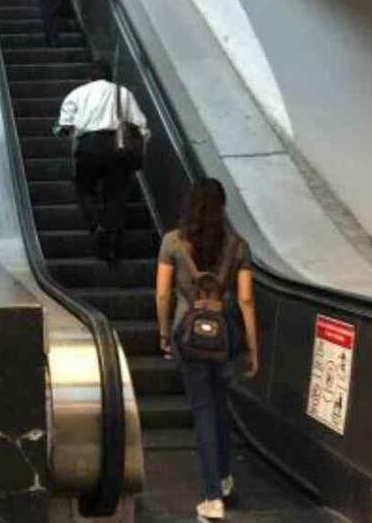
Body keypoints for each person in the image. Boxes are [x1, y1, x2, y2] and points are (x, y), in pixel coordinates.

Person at [155, 178, 259, 522]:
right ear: (222, 207)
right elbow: (245, 299)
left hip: (189, 337)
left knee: (202, 411)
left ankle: (213, 497)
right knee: (219, 406)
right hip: (225, 339)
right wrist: (252, 348)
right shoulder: (237, 246)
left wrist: (164, 334)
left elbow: (162, 294)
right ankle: (224, 478)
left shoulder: (172, 242)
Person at [55, 77, 147, 264]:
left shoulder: (78, 93)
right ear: (110, 77)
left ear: (89, 78)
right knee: (116, 195)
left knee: (84, 189)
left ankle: (98, 223)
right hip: (117, 146)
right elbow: (140, 125)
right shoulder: (123, 93)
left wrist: (61, 131)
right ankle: (111, 239)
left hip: (89, 145)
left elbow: (65, 126)